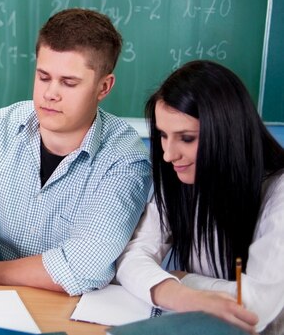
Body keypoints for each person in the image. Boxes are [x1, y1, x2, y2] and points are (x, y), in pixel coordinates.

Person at [0, 8, 152, 295]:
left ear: (103, 87)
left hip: (73, 307)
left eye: (68, 83)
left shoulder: (125, 157)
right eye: (43, 77)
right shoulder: (0, 127)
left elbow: (82, 266)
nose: (50, 93)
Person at [115, 60, 284, 334]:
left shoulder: (279, 192)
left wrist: (179, 280)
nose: (169, 155)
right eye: (163, 135)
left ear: (226, 132)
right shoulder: (182, 178)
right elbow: (131, 258)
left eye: (187, 138)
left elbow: (254, 308)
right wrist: (179, 293)